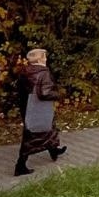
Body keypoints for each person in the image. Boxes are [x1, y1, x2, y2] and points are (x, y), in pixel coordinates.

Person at [14, 49, 66, 177]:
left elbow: (19, 91)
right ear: (39, 60)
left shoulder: (24, 71)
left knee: (47, 129)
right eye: (44, 57)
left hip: (28, 106)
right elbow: (45, 93)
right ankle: (20, 166)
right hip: (41, 107)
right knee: (33, 136)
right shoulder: (44, 73)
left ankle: (54, 150)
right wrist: (58, 95)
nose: (46, 59)